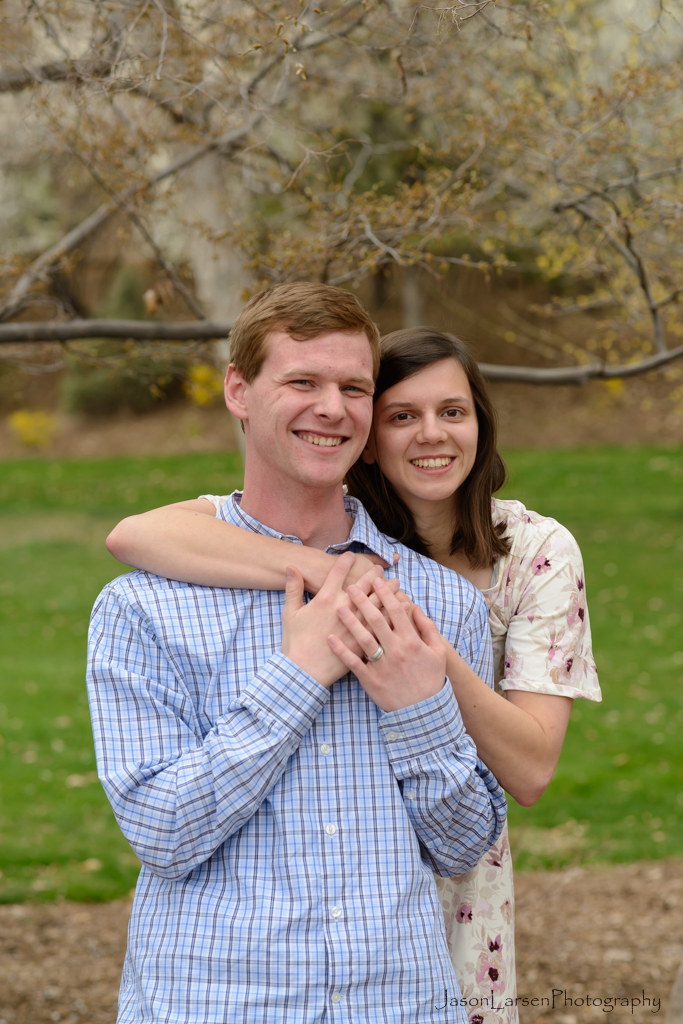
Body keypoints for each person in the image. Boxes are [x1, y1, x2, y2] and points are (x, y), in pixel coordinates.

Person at [108, 325, 601, 1024]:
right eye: (401, 415)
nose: (431, 434)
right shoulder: (292, 524)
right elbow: (132, 534)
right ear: (370, 437)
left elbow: (525, 775)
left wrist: (411, 645)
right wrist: (326, 574)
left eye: (453, 412)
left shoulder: (524, 554)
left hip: (437, 906)